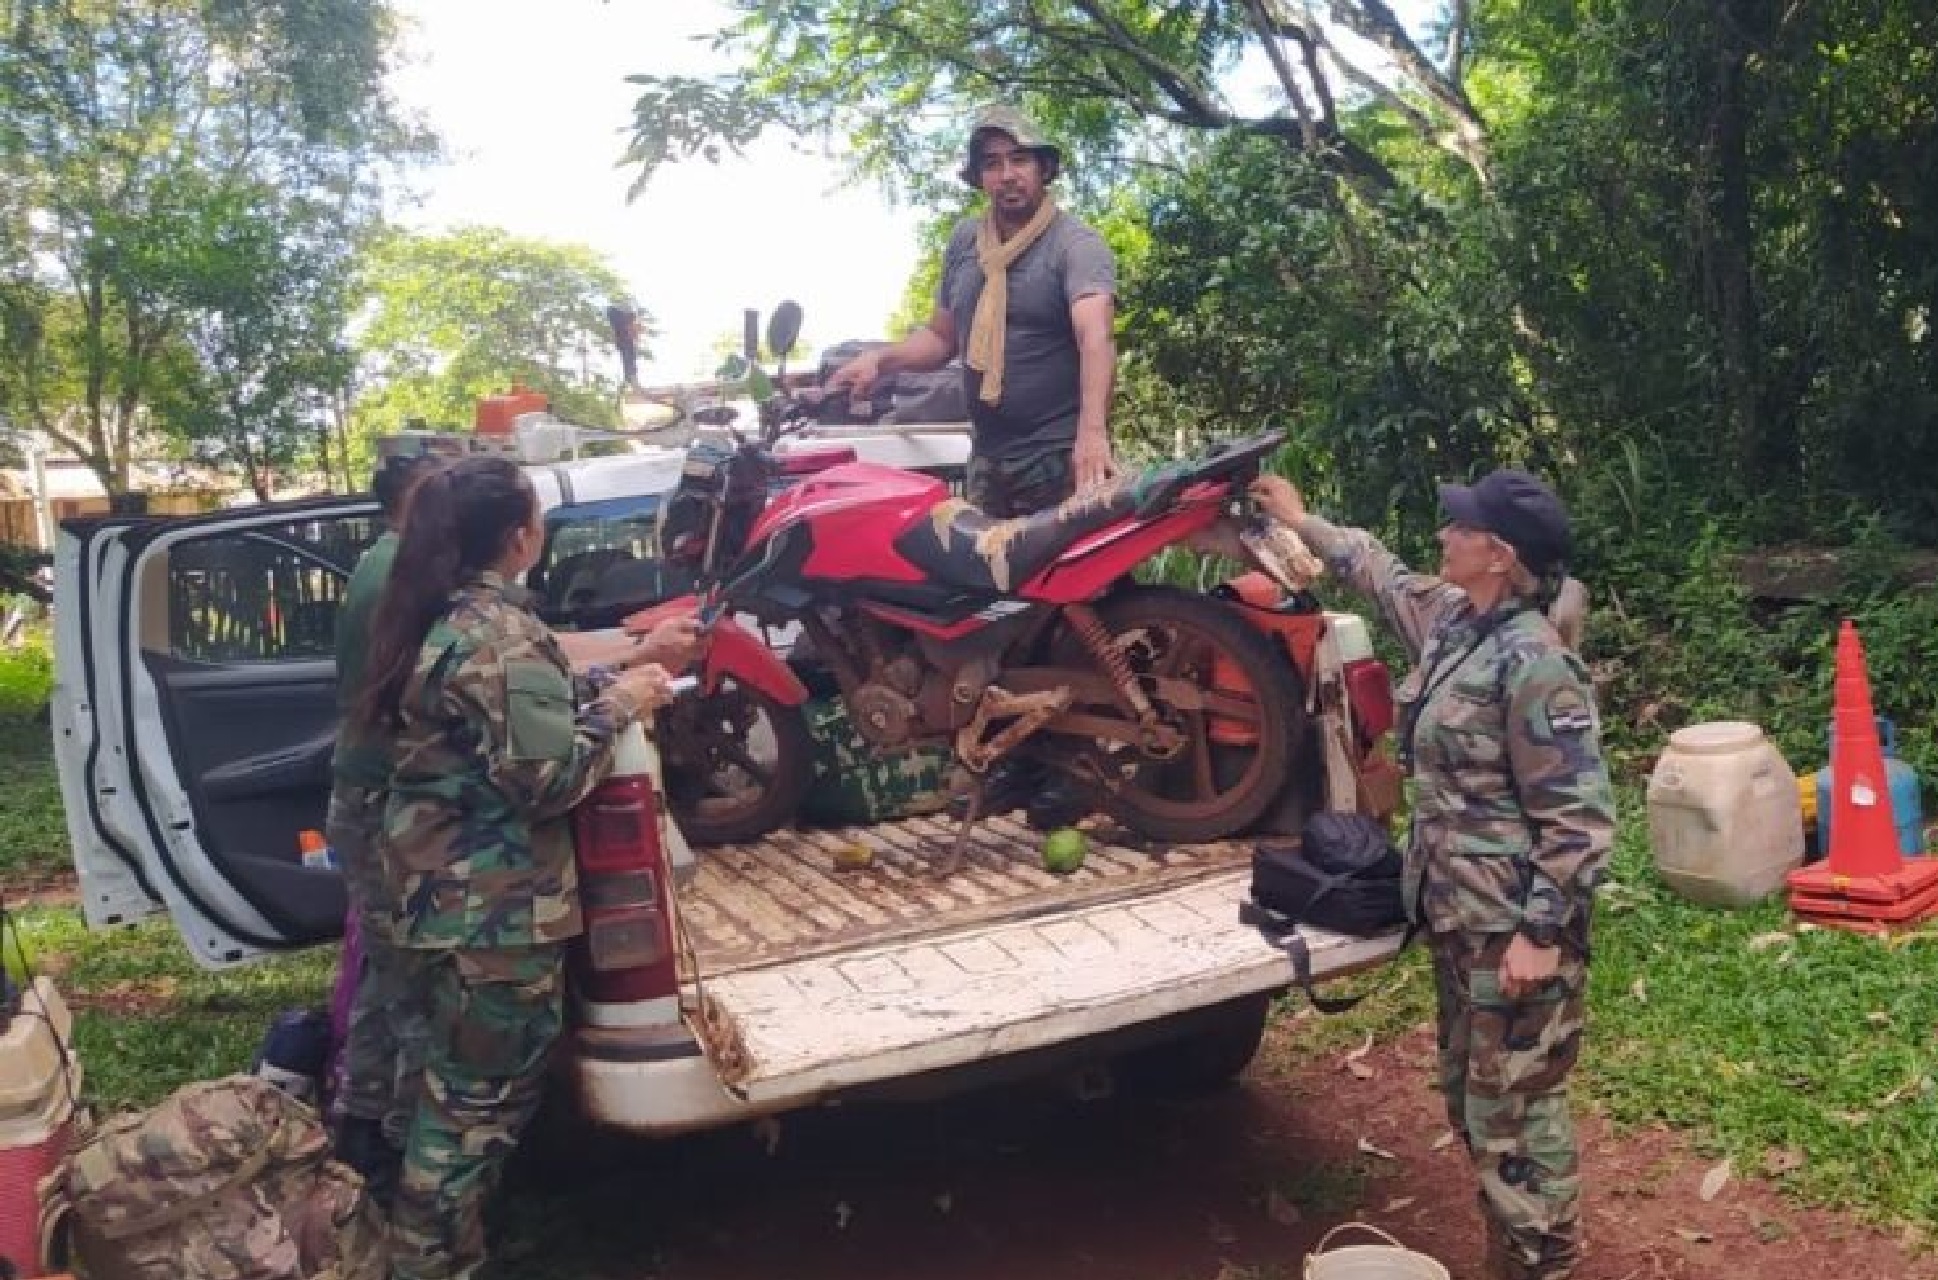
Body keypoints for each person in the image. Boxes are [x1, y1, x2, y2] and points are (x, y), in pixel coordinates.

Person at [1251, 468, 1615, 1280]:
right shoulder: (1456, 621)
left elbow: (1580, 821)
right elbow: (1376, 569)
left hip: (1513, 936)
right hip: (1458, 918)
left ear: (1498, 553)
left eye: (1460, 528)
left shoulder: (1537, 665)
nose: (1444, 535)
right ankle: (1510, 1257)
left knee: (1515, 1109)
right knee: (1474, 1101)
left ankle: (1540, 1266)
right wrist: (1304, 521)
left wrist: (1540, 933)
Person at [353, 456, 677, 1280]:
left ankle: (444, 1247)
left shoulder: (441, 617)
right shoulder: (502, 633)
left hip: (436, 900)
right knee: (469, 1114)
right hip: (490, 917)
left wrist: (605, 682)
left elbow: (505, 713)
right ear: (519, 536)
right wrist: (622, 705)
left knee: (444, 1094)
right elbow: (546, 780)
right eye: (534, 516)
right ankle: (427, 1263)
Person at [828, 103, 1119, 514]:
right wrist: (880, 359)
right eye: (992, 163)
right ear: (980, 176)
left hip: (1060, 456)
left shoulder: (1075, 245)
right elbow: (941, 338)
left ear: (1044, 168)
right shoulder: (966, 243)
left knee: (1075, 578)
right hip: (989, 458)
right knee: (982, 577)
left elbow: (1097, 338)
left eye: (1020, 159)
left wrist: (1092, 435)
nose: (1008, 175)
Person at [327, 453, 442, 1203]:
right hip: (381, 803)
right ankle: (404, 1158)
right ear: (420, 496)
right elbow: (483, 660)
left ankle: (359, 1123)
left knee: (385, 969)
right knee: (412, 984)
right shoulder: (407, 570)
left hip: (363, 795)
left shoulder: (383, 559)